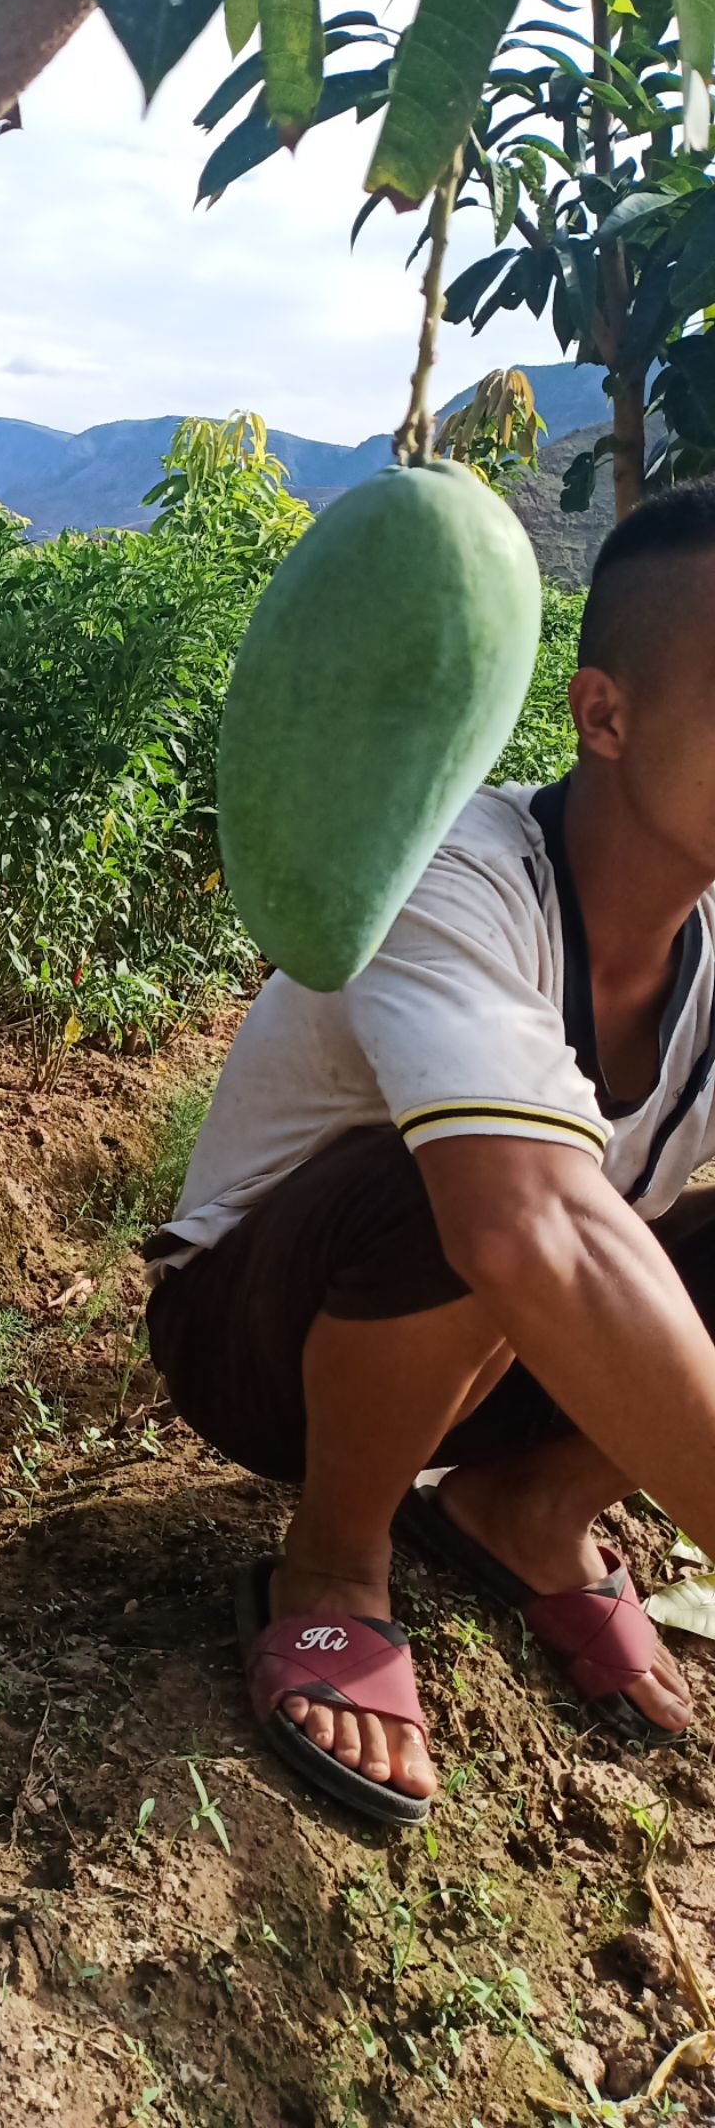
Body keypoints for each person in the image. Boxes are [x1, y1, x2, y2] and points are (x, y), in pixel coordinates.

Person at [144, 480, 715, 1824]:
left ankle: (525, 1510)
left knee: (529, 1208)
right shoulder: (451, 873)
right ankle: (336, 1564)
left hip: (507, 1358)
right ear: (606, 715)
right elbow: (531, 1232)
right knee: (475, 1185)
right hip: (271, 1343)